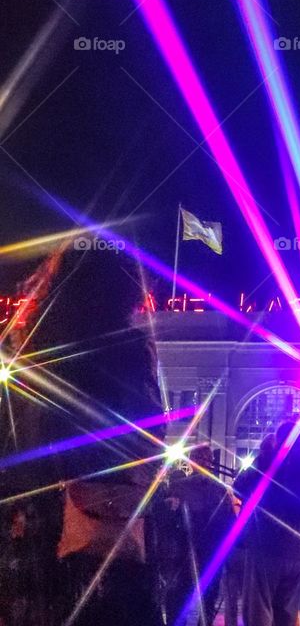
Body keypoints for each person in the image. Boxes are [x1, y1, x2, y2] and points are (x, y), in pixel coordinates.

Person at [2, 245, 163, 626]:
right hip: (104, 527)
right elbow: (149, 438)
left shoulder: (28, 353)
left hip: (35, 525)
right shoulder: (129, 352)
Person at [236, 422, 300, 626]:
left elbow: (240, 486)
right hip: (298, 550)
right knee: (287, 612)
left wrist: (263, 459)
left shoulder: (269, 462)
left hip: (266, 547)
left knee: (259, 610)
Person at [163, 443, 234, 625]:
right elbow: (229, 523)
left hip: (191, 552)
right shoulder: (218, 490)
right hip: (200, 552)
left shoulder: (181, 487)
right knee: (201, 603)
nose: (205, 462)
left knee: (184, 602)